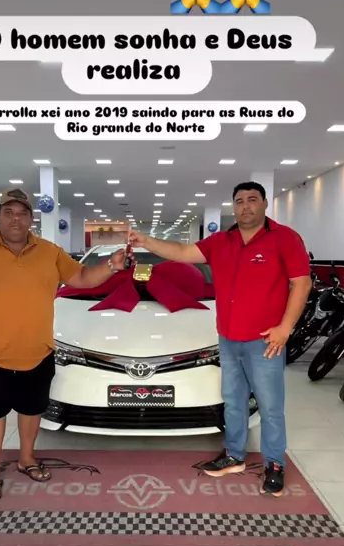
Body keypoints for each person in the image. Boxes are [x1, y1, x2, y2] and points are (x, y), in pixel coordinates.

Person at [0, 188, 128, 502]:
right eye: (8, 212)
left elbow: (81, 277)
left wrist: (111, 266)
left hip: (37, 351)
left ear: (31, 219)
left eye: (22, 213)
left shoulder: (49, 251)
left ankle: (26, 459)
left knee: (31, 410)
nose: (16, 219)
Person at [129, 182, 312, 497]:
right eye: (239, 201)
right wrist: (146, 241)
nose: (245, 206)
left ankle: (274, 464)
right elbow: (182, 252)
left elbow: (302, 283)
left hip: (265, 341)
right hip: (228, 339)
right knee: (233, 401)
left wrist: (285, 328)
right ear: (234, 207)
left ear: (264, 204)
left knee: (269, 406)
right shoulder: (221, 241)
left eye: (252, 199)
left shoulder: (285, 238)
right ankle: (234, 455)